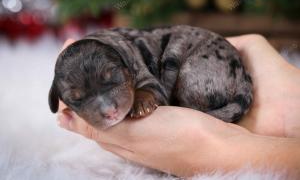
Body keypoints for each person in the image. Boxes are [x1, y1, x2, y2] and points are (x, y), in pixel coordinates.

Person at [56, 34, 300, 178]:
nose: (107, 108)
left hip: (206, 60)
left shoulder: (128, 55)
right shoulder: (110, 54)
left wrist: (222, 149)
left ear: (125, 63)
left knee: (186, 77)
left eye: (113, 79)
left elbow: (150, 84)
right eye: (78, 98)